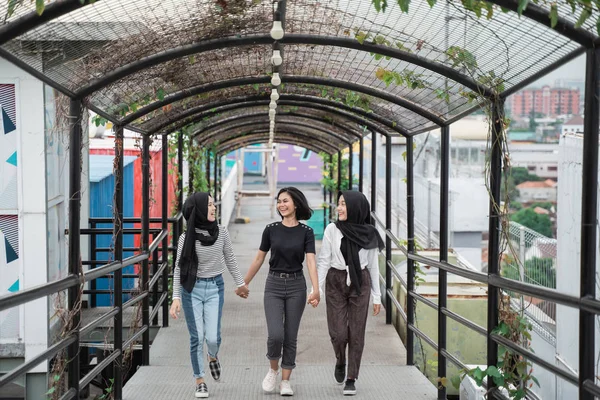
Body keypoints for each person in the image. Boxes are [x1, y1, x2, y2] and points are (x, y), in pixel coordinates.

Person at [169, 192, 249, 398]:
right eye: (210, 205)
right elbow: (179, 268)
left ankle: (213, 356)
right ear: (200, 210)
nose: (214, 208)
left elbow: (230, 258)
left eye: (214, 204)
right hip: (191, 290)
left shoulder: (221, 232)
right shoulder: (186, 238)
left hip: (215, 287)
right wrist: (175, 297)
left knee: (213, 337)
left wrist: (240, 283)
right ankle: (200, 380)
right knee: (197, 337)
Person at [244, 187, 320, 397]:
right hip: (274, 285)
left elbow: (311, 262)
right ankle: (273, 369)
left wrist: (316, 289)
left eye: (285, 201)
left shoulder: (306, 232)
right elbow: (259, 258)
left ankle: (285, 381)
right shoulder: (271, 229)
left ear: (295, 204)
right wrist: (245, 283)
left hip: (297, 286)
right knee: (276, 334)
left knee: (290, 336)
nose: (281, 205)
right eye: (279, 201)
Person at [315, 190, 384, 396]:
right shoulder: (332, 230)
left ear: (356, 207)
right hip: (335, 281)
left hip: (360, 282)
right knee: (338, 333)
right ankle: (340, 360)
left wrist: (377, 296)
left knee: (356, 332)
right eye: (339, 204)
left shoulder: (369, 233)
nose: (339, 208)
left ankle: (351, 377)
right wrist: (316, 288)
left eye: (344, 204)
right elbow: (324, 260)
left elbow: (373, 267)